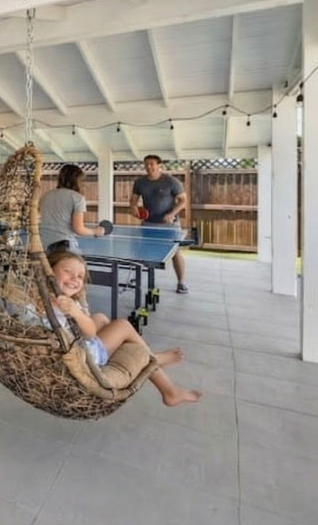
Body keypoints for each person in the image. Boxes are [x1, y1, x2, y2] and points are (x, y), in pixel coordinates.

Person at [48, 250, 202, 408]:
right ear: (48, 271)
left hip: (72, 342)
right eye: (68, 271)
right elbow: (89, 333)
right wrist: (76, 312)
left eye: (80, 276)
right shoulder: (59, 306)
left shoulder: (45, 299)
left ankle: (148, 359)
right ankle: (163, 378)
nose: (75, 278)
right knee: (123, 326)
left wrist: (76, 311)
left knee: (101, 318)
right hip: (82, 357)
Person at [129, 154, 190, 294]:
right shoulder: (139, 182)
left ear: (159, 165)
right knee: (142, 252)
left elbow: (183, 200)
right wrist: (133, 207)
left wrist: (172, 213)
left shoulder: (171, 181)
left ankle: (181, 282)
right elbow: (133, 201)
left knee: (175, 252)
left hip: (169, 224)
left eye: (151, 164)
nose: (148, 167)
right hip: (148, 223)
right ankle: (137, 278)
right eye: (146, 164)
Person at [39, 164, 105, 254]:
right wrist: (95, 231)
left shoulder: (46, 196)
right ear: (77, 180)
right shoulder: (77, 198)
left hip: (42, 245)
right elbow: (78, 229)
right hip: (63, 245)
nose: (84, 184)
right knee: (79, 262)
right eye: (82, 180)